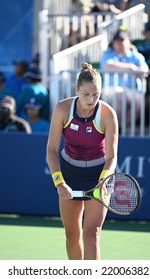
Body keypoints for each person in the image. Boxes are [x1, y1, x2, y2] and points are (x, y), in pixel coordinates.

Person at [46, 62, 119, 260]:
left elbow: (112, 156)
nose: (92, 99)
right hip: (69, 174)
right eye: (86, 94)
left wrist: (104, 180)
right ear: (77, 89)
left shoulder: (107, 114)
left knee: (92, 234)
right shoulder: (62, 109)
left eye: (96, 94)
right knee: (71, 235)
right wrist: (59, 182)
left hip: (99, 175)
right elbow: (51, 151)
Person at [100, 27, 148, 126]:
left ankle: (123, 127)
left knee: (139, 101)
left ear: (129, 42)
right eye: (117, 41)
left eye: (122, 40)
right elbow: (107, 66)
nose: (120, 43)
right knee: (119, 95)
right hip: (111, 90)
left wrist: (121, 68)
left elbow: (144, 71)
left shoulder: (136, 56)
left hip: (132, 90)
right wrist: (130, 68)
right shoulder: (108, 54)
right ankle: (115, 126)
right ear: (113, 43)